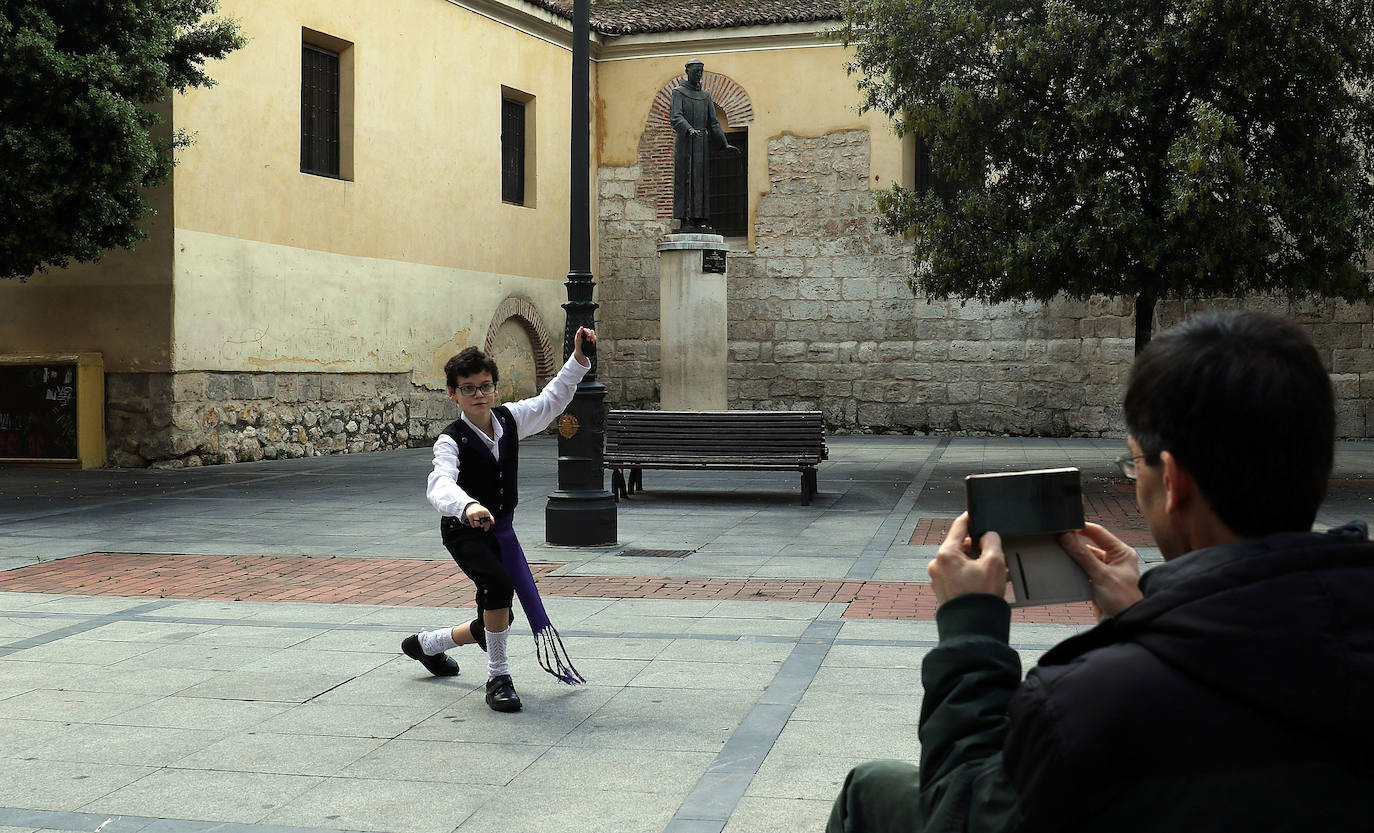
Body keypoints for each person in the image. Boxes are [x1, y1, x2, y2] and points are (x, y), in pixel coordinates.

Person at [828, 310, 1374, 832]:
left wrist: (970, 633)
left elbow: (965, 811)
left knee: (870, 789)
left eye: (1135, 462)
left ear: (1174, 481)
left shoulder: (1090, 705)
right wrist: (1151, 615)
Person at [401, 327, 595, 712]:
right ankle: (499, 677)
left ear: (495, 388)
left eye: (485, 386)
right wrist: (467, 506)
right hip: (463, 531)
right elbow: (440, 481)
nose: (479, 395)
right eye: (468, 388)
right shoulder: (451, 439)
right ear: (453, 393)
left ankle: (426, 645)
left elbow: (552, 400)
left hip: (501, 531)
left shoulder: (510, 419)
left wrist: (579, 360)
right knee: (497, 585)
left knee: (495, 616)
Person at [671, 58, 739, 229]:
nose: (698, 75)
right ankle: (685, 218)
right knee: (686, 180)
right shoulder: (678, 92)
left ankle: (700, 218)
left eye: (701, 71)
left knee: (700, 181)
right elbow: (676, 116)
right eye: (695, 71)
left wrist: (724, 143)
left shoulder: (705, 96)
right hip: (686, 143)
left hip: (701, 144)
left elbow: (714, 122)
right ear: (687, 71)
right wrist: (688, 129)